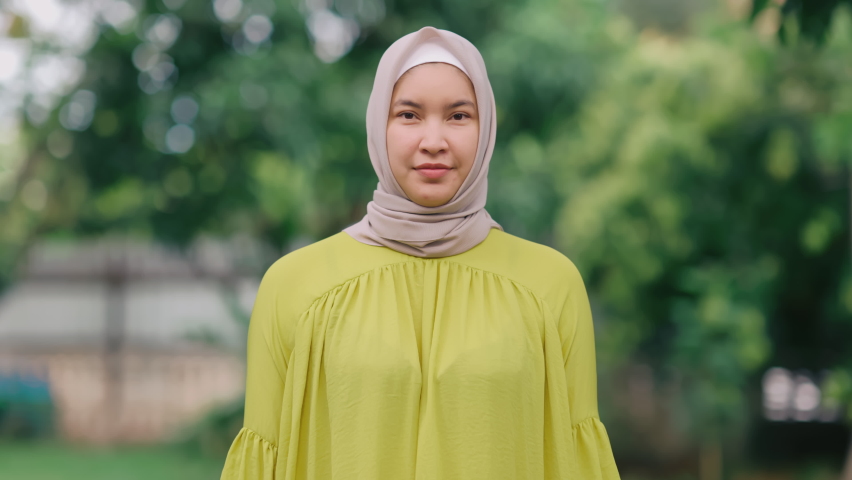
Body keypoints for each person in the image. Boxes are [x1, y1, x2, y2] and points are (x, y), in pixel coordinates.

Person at [220, 26, 621, 480]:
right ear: (378, 125)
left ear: (485, 126)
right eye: (409, 115)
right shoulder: (294, 285)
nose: (434, 140)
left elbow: (576, 460)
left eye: (458, 116)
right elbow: (262, 460)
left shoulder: (550, 284)